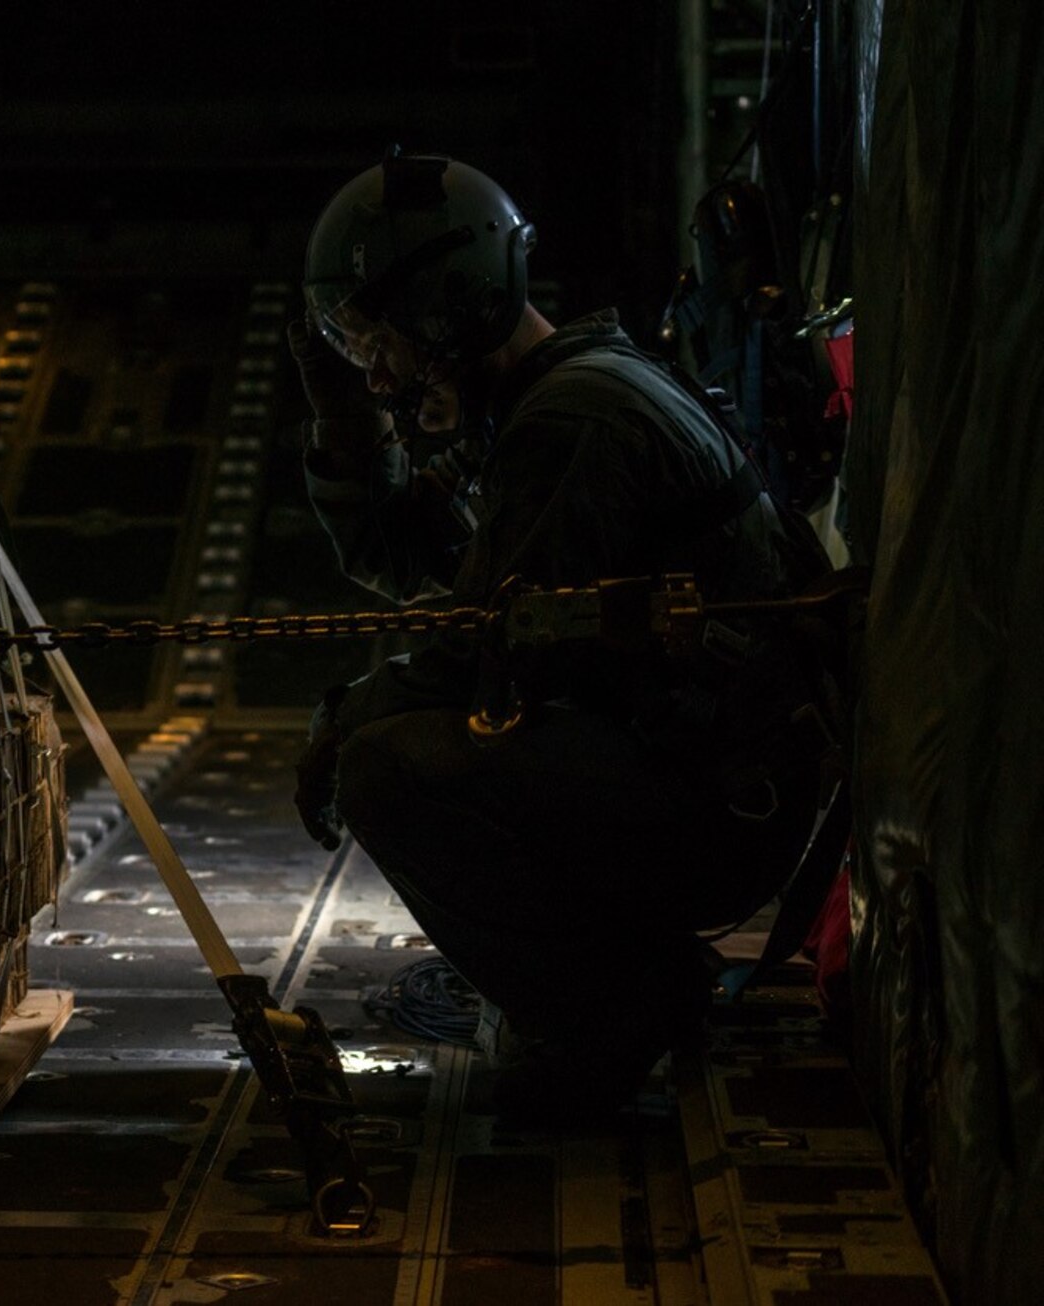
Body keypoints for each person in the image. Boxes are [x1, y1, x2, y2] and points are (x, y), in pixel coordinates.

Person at [289, 153, 831, 1122]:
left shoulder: (568, 420)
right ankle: (631, 976)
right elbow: (412, 561)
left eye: (376, 339)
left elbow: (485, 648)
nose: (372, 371)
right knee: (399, 727)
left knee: (385, 768)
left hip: (717, 797)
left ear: (443, 309)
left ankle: (612, 1012)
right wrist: (345, 434)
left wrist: (343, 721)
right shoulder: (552, 394)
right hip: (713, 770)